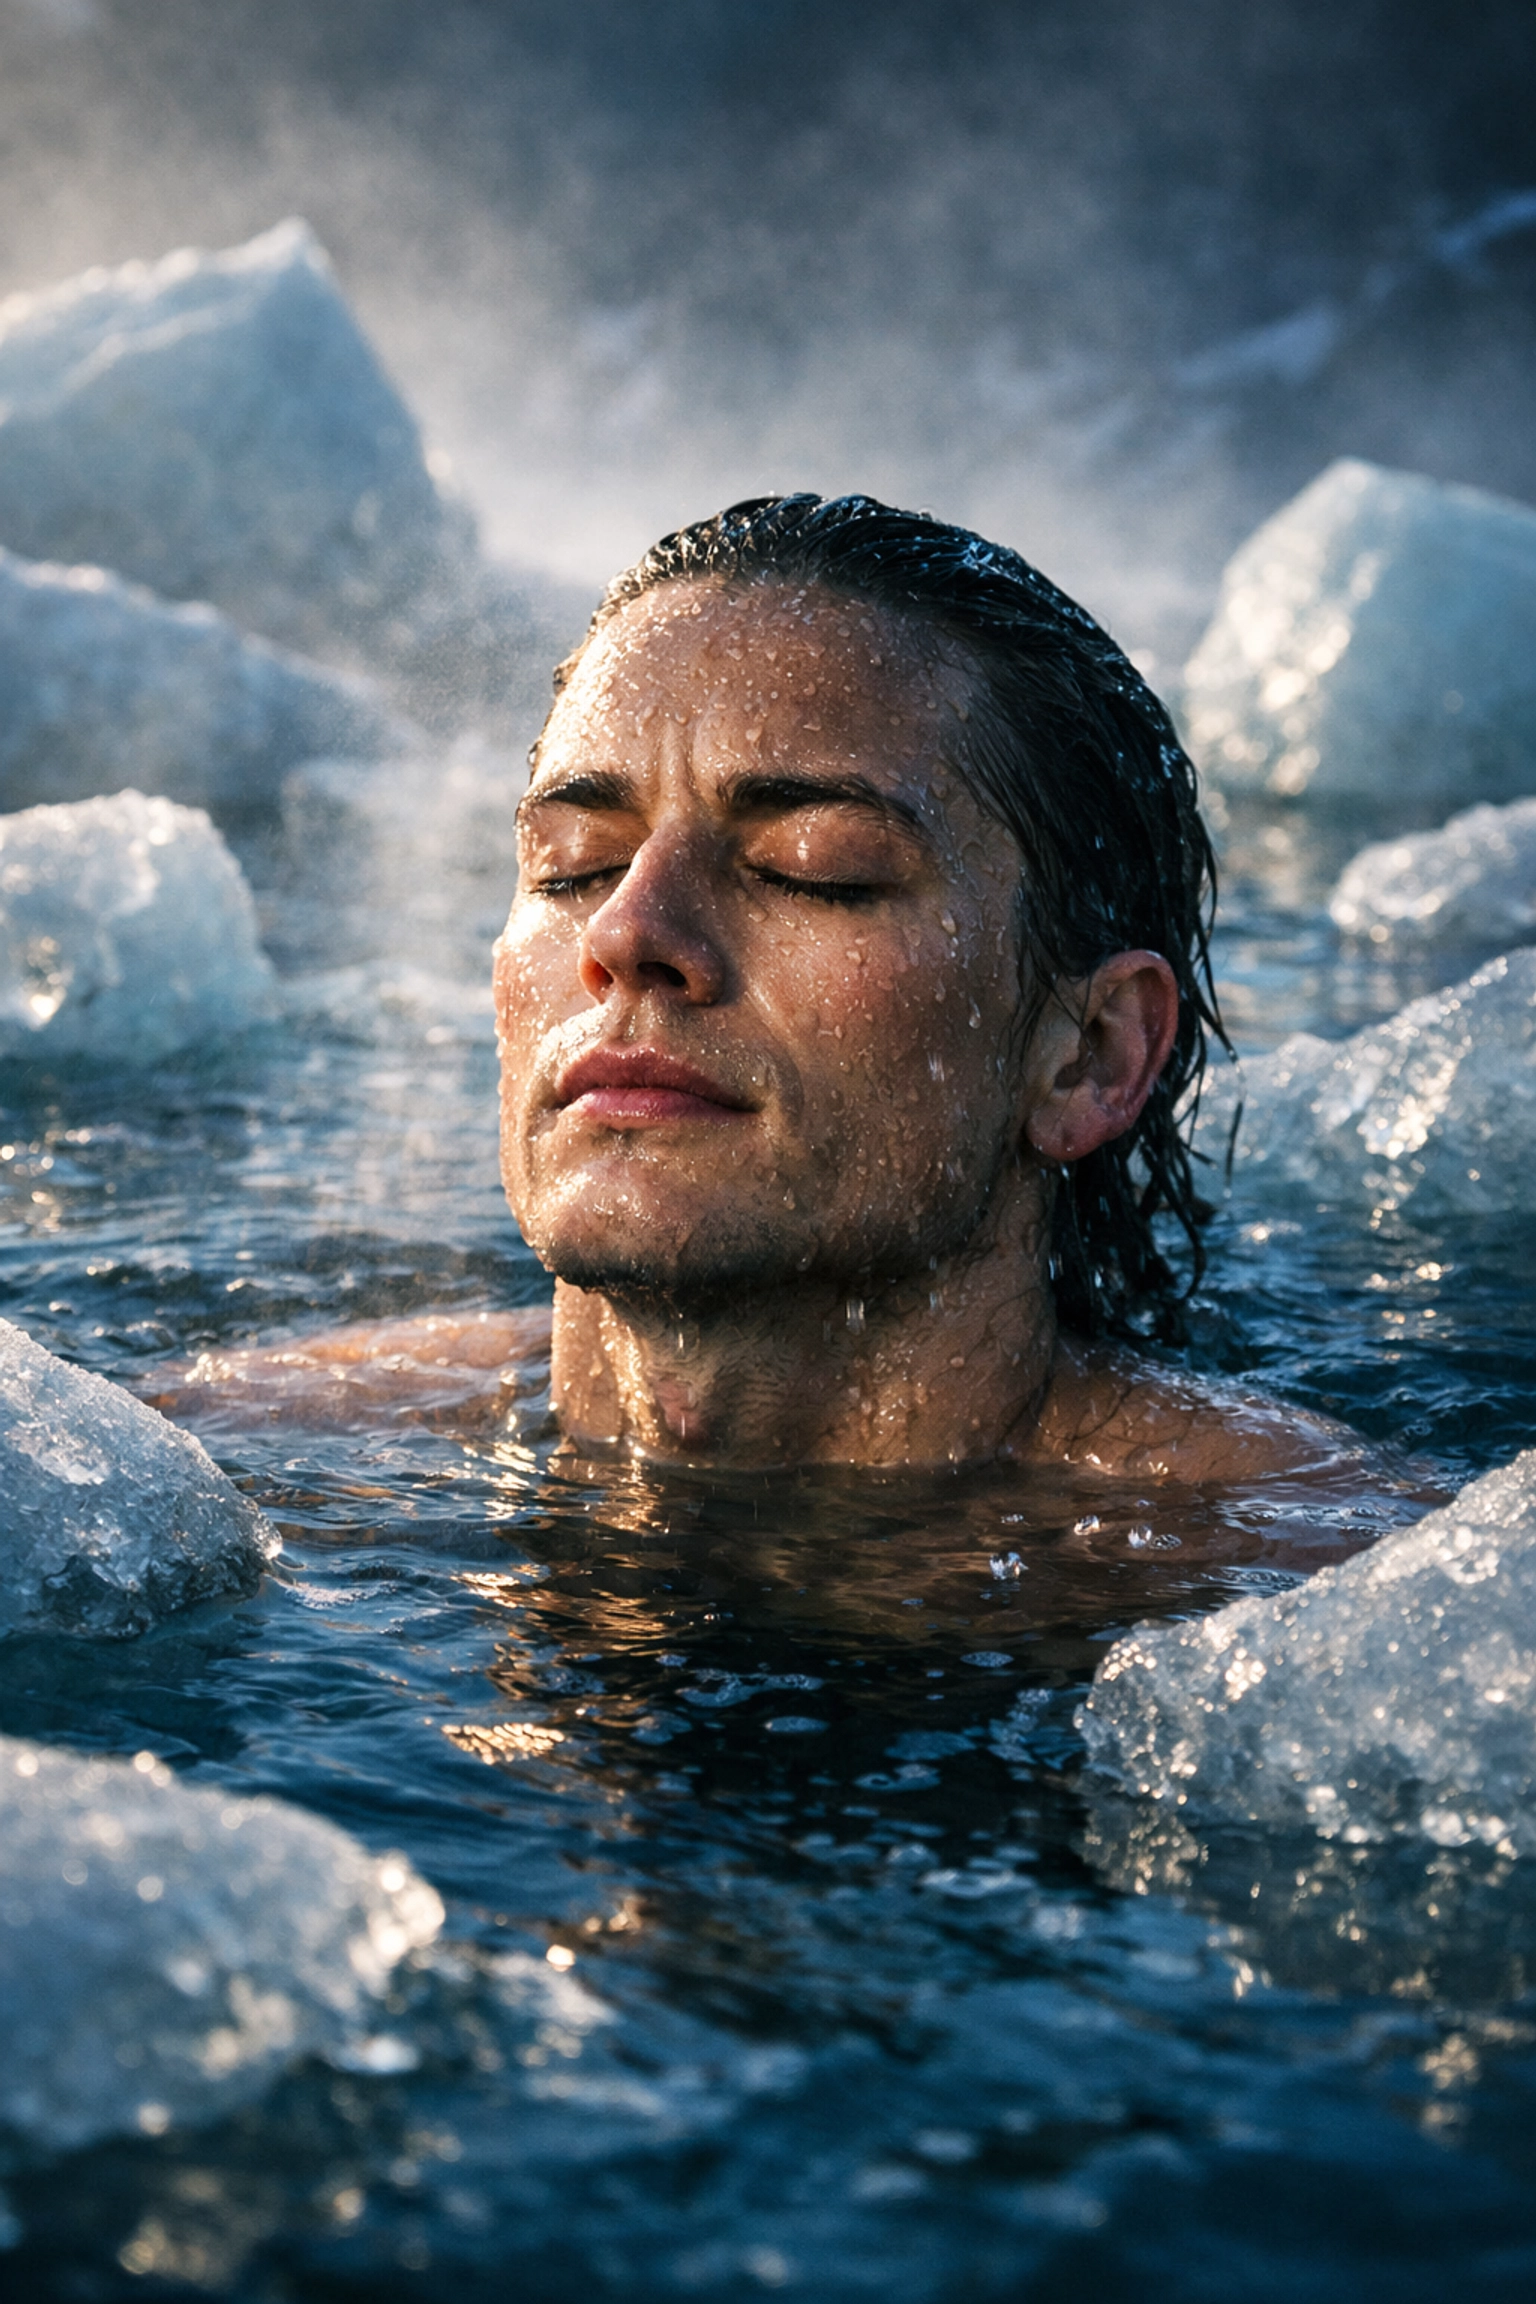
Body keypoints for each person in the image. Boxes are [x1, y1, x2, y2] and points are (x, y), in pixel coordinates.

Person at [158, 494, 1402, 1495]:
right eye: (573, 866)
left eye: (815, 870)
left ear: (1087, 1055)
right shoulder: (220, 1454)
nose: (628, 934)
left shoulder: (1302, 1575)